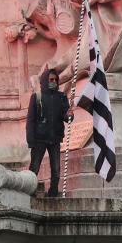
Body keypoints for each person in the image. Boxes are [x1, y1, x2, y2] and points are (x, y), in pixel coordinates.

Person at [27, 69, 73, 198]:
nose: (53, 82)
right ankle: (30, 192)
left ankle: (53, 194)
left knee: (56, 171)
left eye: (55, 80)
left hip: (55, 139)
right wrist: (30, 140)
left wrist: (70, 114)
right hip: (39, 139)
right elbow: (30, 120)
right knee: (34, 168)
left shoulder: (62, 97)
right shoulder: (37, 97)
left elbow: (66, 118)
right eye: (51, 79)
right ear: (44, 81)